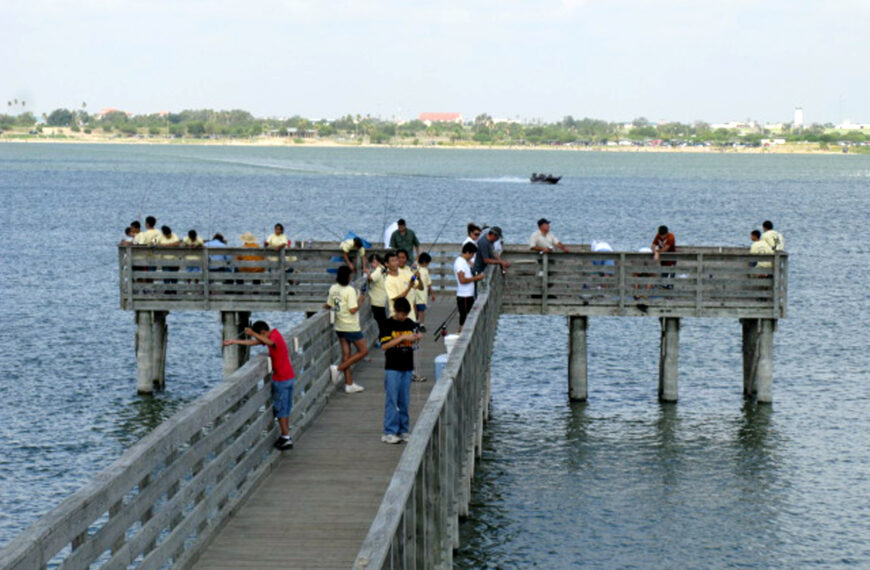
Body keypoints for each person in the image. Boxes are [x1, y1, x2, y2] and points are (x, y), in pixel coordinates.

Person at [223, 321, 296, 450]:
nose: (257, 338)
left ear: (262, 332)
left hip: (282, 379)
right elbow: (255, 342)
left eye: (258, 335)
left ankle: (286, 438)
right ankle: (285, 436)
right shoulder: (273, 335)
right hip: (288, 377)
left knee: (281, 409)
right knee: (284, 408)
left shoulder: (274, 337)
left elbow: (270, 343)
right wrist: (234, 342)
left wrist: (252, 333)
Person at [380, 297, 422, 444]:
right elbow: (384, 345)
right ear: (396, 311)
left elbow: (416, 334)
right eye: (402, 314)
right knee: (392, 400)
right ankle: (389, 432)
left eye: (406, 315)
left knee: (404, 400)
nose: (404, 317)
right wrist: (403, 337)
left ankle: (403, 430)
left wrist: (417, 337)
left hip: (407, 366)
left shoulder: (410, 323)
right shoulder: (387, 324)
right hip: (392, 367)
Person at [325, 266, 367, 394]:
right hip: (351, 326)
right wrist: (360, 301)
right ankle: (338, 368)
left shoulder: (333, 288)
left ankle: (349, 384)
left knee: (346, 354)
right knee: (363, 351)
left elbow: (329, 305)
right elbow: (353, 309)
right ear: (348, 277)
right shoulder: (349, 290)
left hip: (339, 325)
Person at [455, 242, 485, 332]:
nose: (472, 257)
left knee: (467, 317)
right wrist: (477, 278)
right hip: (464, 296)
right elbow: (462, 280)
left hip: (468, 295)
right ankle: (460, 333)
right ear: (468, 252)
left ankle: (461, 333)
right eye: (472, 254)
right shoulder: (460, 263)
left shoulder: (464, 262)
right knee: (465, 318)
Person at [384, 251, 419, 322]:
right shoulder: (388, 281)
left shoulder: (406, 272)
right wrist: (409, 287)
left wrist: (418, 276)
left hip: (411, 316)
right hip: (398, 318)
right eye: (393, 261)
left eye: (396, 260)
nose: (396, 262)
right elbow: (397, 299)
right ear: (386, 264)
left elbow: (419, 286)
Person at [366, 253, 389, 337]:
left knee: (380, 321)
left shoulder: (378, 270)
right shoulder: (383, 268)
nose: (372, 265)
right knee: (382, 320)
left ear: (376, 262)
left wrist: (368, 273)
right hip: (382, 299)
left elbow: (371, 278)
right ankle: (385, 336)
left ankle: (384, 338)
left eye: (372, 262)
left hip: (377, 300)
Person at [414, 252, 434, 332]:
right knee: (415, 309)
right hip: (415, 294)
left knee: (421, 310)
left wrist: (431, 293)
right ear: (425, 262)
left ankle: (421, 324)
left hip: (423, 295)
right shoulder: (415, 268)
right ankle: (415, 323)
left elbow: (429, 283)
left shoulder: (426, 271)